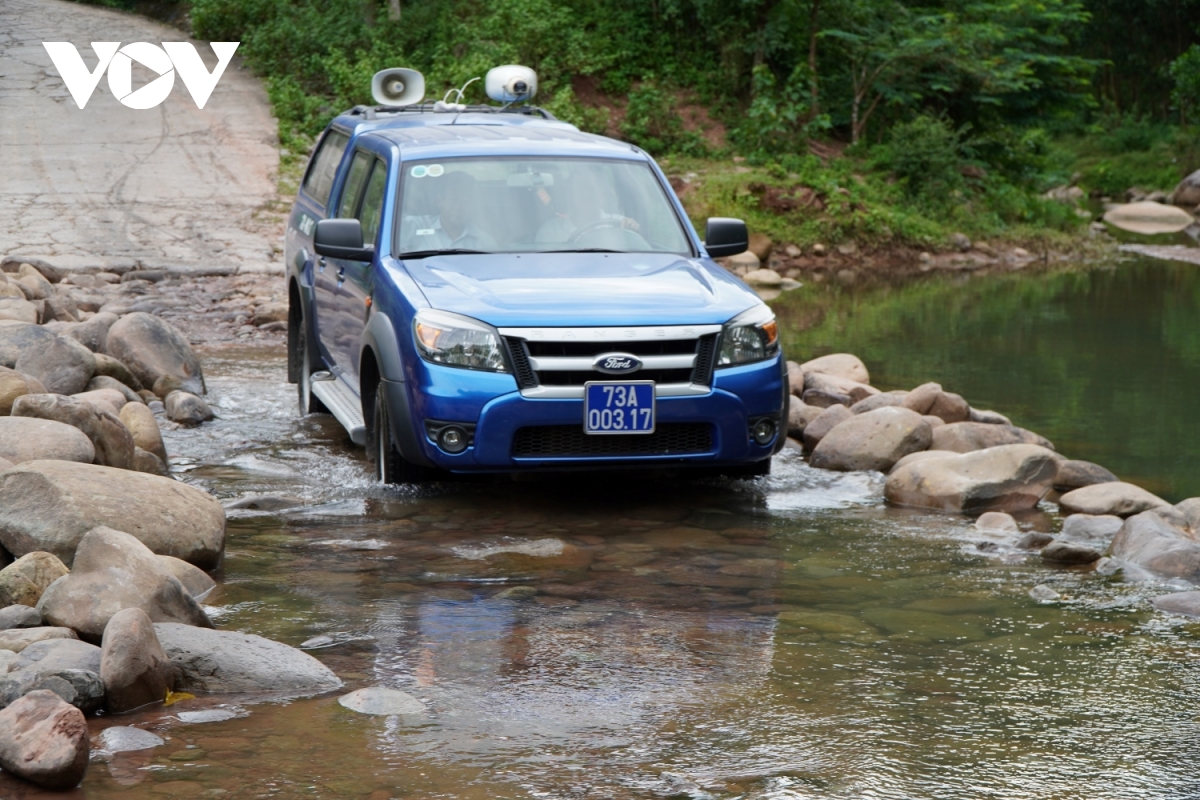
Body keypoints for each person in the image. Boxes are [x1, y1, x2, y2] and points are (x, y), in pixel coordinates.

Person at [400, 170, 496, 252]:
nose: (459, 207)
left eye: (465, 201)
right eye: (454, 199)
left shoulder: (485, 242)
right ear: (440, 201)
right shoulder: (414, 226)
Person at [535, 175, 639, 244]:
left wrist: (633, 227)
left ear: (602, 195)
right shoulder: (550, 231)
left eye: (593, 189)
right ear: (571, 196)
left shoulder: (620, 224)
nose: (588, 196)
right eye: (581, 190)